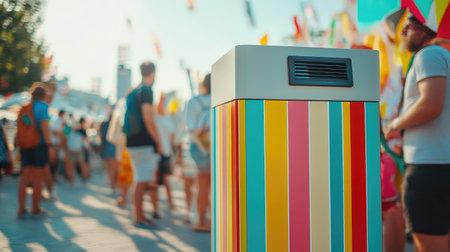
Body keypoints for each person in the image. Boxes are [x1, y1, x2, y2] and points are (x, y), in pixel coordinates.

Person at [384, 16, 450, 252]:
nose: (402, 33)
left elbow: (431, 104)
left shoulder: (428, 55)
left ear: (424, 28)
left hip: (428, 168)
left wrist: (395, 125)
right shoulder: (442, 56)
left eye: (407, 26)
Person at [123, 62, 162, 228]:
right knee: (142, 180)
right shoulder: (146, 91)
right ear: (153, 72)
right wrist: (158, 141)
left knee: (139, 179)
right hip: (143, 142)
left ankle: (139, 215)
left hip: (131, 140)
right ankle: (138, 217)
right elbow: (148, 118)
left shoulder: (134, 91)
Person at [17, 85, 56, 217]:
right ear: (43, 96)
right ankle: (35, 208)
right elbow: (44, 127)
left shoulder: (24, 108)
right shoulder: (43, 107)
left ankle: (21, 208)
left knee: (25, 177)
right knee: (38, 177)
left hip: (25, 145)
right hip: (39, 146)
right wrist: (50, 147)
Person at [185, 73, 211, 232]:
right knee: (217, 186)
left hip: (199, 146)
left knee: (202, 185)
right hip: (219, 145)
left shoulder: (194, 101)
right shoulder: (222, 98)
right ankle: (212, 220)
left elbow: (190, 128)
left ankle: (201, 220)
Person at [154, 94, 176, 217]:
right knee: (166, 180)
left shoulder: (155, 119)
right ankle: (170, 203)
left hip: (157, 152)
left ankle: (156, 207)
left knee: (156, 181)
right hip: (166, 152)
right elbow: (172, 140)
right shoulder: (168, 121)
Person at [66, 118, 89, 184]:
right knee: (83, 164)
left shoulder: (71, 128)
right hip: (80, 150)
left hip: (71, 149)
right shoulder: (82, 131)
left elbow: (65, 134)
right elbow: (86, 140)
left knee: (71, 165)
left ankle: (71, 180)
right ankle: (84, 178)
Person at [99, 113, 118, 193]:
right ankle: (113, 185)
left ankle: (112, 184)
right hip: (113, 147)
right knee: (114, 168)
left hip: (105, 147)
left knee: (110, 168)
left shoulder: (103, 124)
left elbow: (100, 135)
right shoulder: (115, 124)